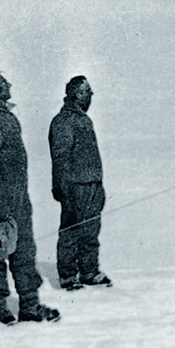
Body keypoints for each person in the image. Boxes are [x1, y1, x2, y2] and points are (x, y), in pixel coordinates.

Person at [0, 68, 59, 324]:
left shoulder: (6, 119)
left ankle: (30, 306)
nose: (10, 85)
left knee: (25, 254)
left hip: (16, 205)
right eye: (5, 83)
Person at [49, 75, 111, 290]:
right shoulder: (63, 121)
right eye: (88, 91)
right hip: (74, 186)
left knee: (91, 230)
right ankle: (67, 276)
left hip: (92, 184)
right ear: (78, 94)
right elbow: (61, 157)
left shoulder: (84, 119)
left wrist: (98, 184)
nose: (91, 95)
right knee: (71, 230)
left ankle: (89, 271)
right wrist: (63, 188)